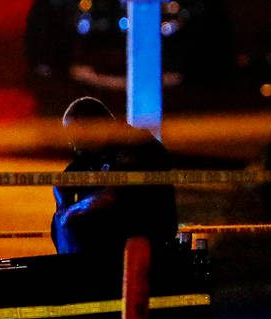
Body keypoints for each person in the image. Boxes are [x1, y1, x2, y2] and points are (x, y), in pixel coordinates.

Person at [51, 96, 179, 255]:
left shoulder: (138, 144)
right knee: (60, 220)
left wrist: (71, 212)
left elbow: (110, 198)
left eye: (75, 134)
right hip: (106, 247)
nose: (72, 142)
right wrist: (64, 206)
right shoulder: (92, 153)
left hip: (142, 246)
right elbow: (62, 182)